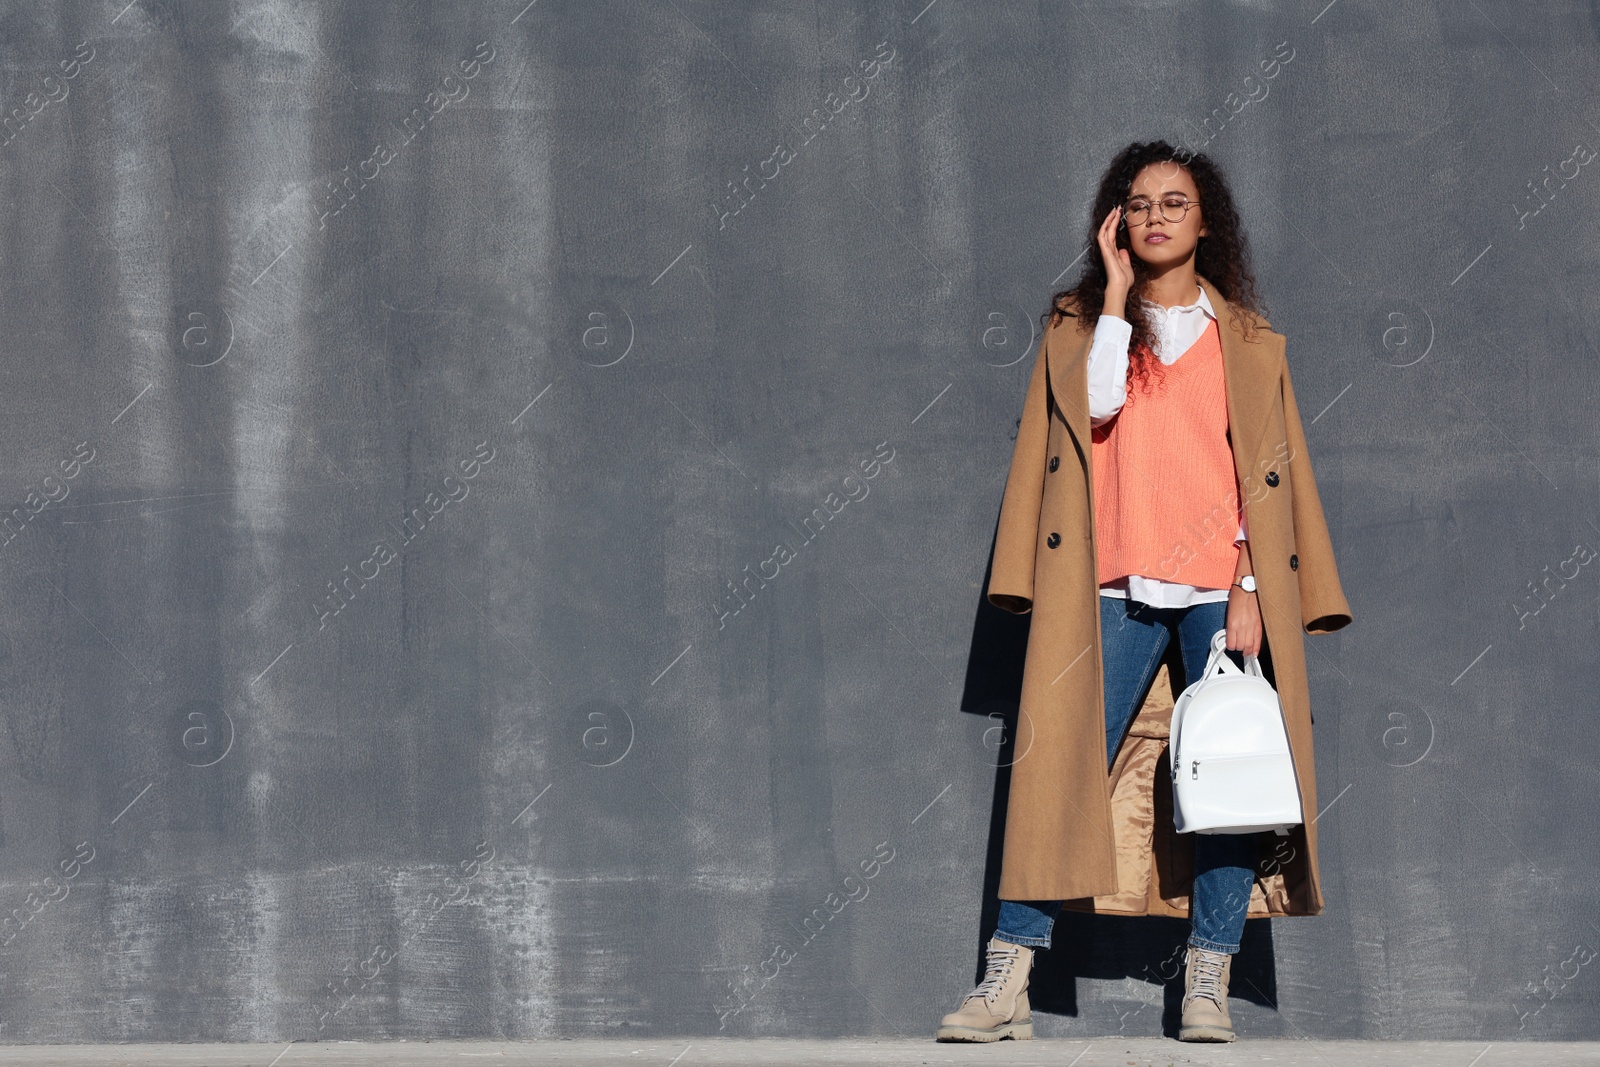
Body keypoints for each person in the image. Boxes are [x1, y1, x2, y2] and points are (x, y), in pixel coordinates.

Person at [937, 140, 1351, 1044]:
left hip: (1215, 585)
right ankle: (1008, 981)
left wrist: (1247, 580)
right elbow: (1091, 414)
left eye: (1174, 202)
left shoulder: (1247, 341)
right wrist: (1117, 295)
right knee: (1055, 773)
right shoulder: (1083, 326)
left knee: (1229, 780)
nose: (1155, 215)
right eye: (1138, 203)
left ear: (1208, 222)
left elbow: (1263, 473)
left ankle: (1206, 980)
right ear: (1116, 222)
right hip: (1111, 580)